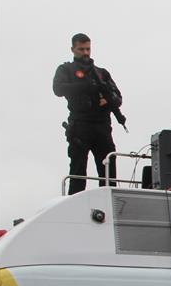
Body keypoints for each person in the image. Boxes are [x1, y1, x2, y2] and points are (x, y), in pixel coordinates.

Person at [53, 33, 123, 195]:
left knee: (108, 173)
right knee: (78, 173)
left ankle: (108, 202)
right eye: (81, 49)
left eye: (88, 49)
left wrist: (107, 99)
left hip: (102, 126)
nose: (85, 52)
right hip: (80, 125)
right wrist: (86, 87)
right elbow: (58, 89)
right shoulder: (66, 70)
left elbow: (118, 98)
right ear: (73, 49)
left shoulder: (101, 73)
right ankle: (74, 205)